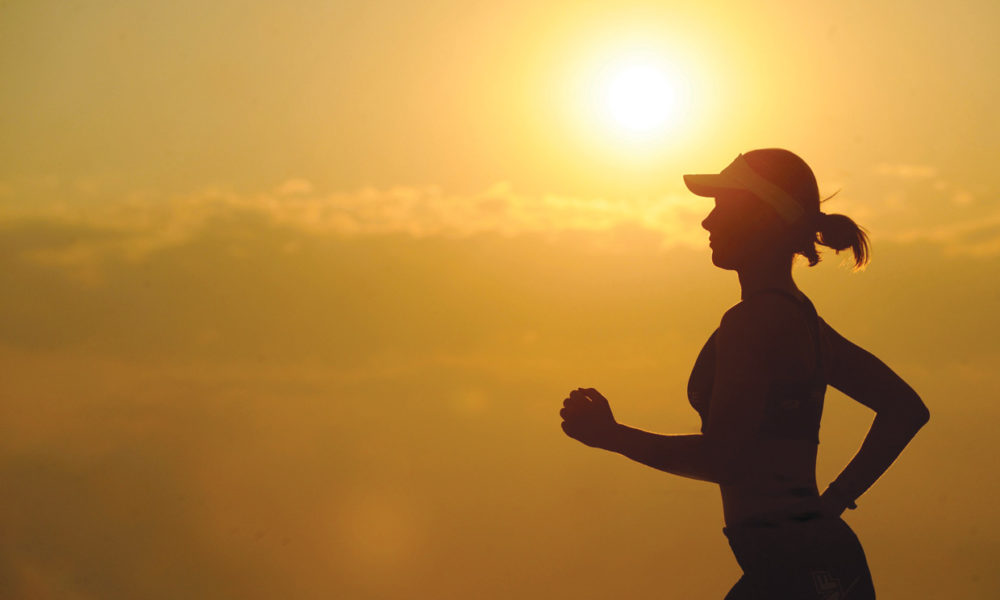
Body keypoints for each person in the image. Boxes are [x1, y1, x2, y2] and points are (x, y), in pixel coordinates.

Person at [558, 148, 930, 599]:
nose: (707, 222)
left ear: (762, 218)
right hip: (813, 562)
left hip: (796, 568)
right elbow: (905, 409)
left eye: (722, 206)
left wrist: (611, 436)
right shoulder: (802, 319)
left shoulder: (752, 323)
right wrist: (831, 504)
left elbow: (723, 460)